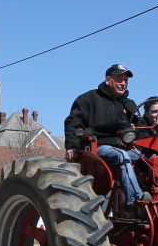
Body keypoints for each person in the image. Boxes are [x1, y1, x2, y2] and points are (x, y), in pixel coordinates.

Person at [64, 64, 151, 205]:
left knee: (153, 161)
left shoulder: (129, 105)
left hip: (126, 147)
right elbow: (73, 123)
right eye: (119, 79)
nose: (123, 83)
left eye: (125, 81)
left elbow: (141, 129)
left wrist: (148, 150)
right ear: (108, 79)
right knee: (121, 156)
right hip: (99, 147)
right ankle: (136, 200)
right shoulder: (89, 99)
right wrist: (72, 146)